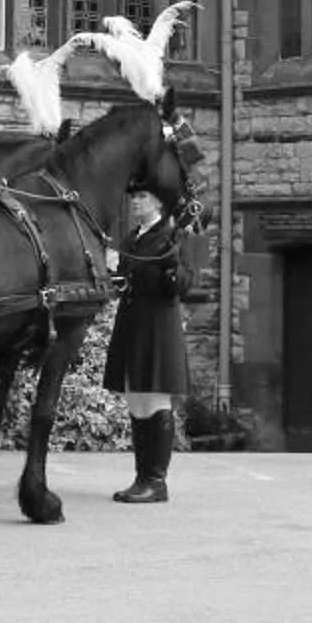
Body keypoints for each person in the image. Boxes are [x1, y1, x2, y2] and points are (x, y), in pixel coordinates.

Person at [104, 187, 189, 504]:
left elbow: (185, 283)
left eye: (142, 196)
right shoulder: (133, 237)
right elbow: (126, 276)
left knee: (154, 397)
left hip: (157, 323)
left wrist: (171, 265)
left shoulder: (172, 234)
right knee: (137, 399)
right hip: (132, 321)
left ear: (157, 202)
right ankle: (142, 478)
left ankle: (157, 481)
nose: (135, 201)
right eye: (134, 196)